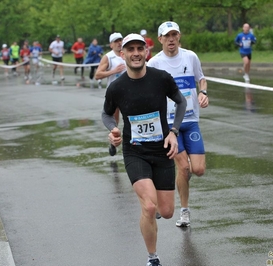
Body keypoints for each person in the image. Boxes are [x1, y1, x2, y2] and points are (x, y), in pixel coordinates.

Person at [102, 33, 187, 266]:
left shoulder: (161, 78)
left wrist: (174, 132)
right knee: (149, 206)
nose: (136, 53)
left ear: (146, 52)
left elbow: (181, 102)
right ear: (123, 54)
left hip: (162, 151)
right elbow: (107, 114)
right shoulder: (117, 87)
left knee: (167, 211)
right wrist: (113, 129)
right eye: (131, 50)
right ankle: (153, 258)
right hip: (135, 152)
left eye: (140, 48)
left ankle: (153, 204)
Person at [148, 21, 209, 227]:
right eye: (167, 36)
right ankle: (184, 211)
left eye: (174, 35)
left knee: (198, 170)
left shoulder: (190, 56)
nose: (171, 39)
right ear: (160, 39)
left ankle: (175, 182)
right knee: (183, 168)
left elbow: (202, 79)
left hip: (191, 121)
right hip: (169, 125)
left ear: (179, 37)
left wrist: (203, 93)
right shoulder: (154, 63)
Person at [95, 32, 126, 156]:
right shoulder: (108, 57)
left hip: (129, 93)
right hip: (114, 94)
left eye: (120, 40)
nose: (119, 43)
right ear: (111, 45)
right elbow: (98, 75)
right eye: (116, 41)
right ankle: (113, 143)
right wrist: (114, 71)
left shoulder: (127, 54)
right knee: (115, 122)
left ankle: (132, 145)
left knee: (131, 118)